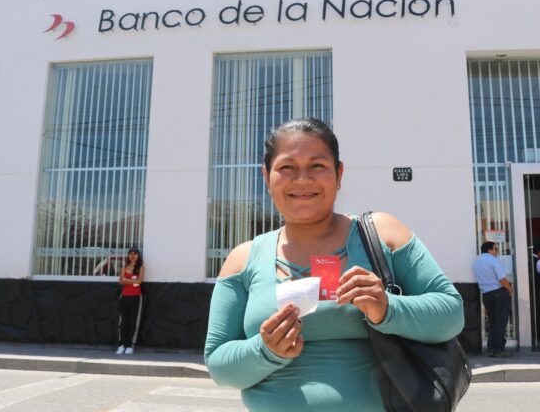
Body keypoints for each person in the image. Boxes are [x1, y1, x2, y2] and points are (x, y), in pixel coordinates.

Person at [204, 118, 464, 411]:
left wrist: (387, 308)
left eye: (317, 165)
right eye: (287, 167)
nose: (302, 179)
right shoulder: (243, 259)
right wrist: (265, 351)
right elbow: (219, 366)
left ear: (339, 174)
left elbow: (451, 315)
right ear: (266, 177)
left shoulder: (382, 234)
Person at [472, 241, 513, 358]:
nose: (497, 252)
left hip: (486, 294)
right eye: (496, 249)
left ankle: (491, 349)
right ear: (490, 250)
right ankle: (499, 349)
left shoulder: (476, 262)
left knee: (492, 322)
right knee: (500, 323)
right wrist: (510, 289)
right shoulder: (494, 261)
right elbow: (502, 279)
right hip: (498, 293)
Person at [116, 247, 144, 355]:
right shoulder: (125, 267)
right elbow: (120, 281)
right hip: (125, 296)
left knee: (133, 321)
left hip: (136, 296)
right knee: (123, 322)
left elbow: (139, 281)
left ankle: (130, 345)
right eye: (130, 254)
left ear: (138, 256)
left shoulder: (140, 267)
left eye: (135, 254)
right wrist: (132, 281)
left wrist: (127, 280)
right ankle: (121, 345)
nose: (132, 256)